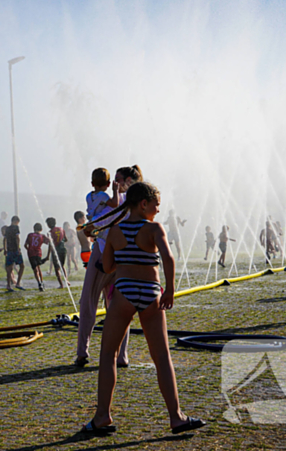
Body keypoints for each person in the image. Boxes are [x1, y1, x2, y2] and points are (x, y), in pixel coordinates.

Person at [80, 181, 205, 436]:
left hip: (124, 293)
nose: (158, 211)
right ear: (144, 203)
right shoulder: (154, 229)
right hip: (151, 294)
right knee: (162, 357)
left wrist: (109, 246)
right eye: (156, 205)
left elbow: (107, 266)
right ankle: (176, 417)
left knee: (107, 355)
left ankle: (102, 416)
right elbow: (168, 258)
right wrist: (169, 290)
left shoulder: (115, 230)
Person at [75, 165, 142, 368]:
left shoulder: (118, 202)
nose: (115, 183)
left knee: (88, 302)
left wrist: (88, 227)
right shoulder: (135, 204)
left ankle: (82, 352)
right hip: (123, 259)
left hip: (103, 255)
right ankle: (122, 355)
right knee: (120, 306)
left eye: (118, 180)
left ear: (128, 181)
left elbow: (96, 223)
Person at [25, 223, 50, 291]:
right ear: (41, 229)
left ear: (33, 228)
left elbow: (25, 245)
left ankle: (39, 283)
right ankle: (41, 282)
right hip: (38, 253)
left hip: (31, 254)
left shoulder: (30, 235)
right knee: (38, 267)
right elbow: (49, 242)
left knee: (35, 269)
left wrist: (29, 250)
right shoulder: (42, 236)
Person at [46, 217, 69, 289]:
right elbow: (66, 240)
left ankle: (61, 285)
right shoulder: (61, 229)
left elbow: (50, 244)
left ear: (49, 225)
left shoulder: (50, 232)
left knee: (57, 269)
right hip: (63, 249)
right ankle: (67, 281)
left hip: (56, 251)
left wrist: (48, 255)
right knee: (62, 266)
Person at [4, 216, 25, 292]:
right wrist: (18, 248)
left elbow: (4, 239)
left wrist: (5, 249)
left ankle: (8, 285)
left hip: (9, 250)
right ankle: (18, 283)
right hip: (15, 250)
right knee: (22, 266)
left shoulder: (7, 229)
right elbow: (17, 238)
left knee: (9, 269)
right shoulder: (16, 227)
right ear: (15, 221)